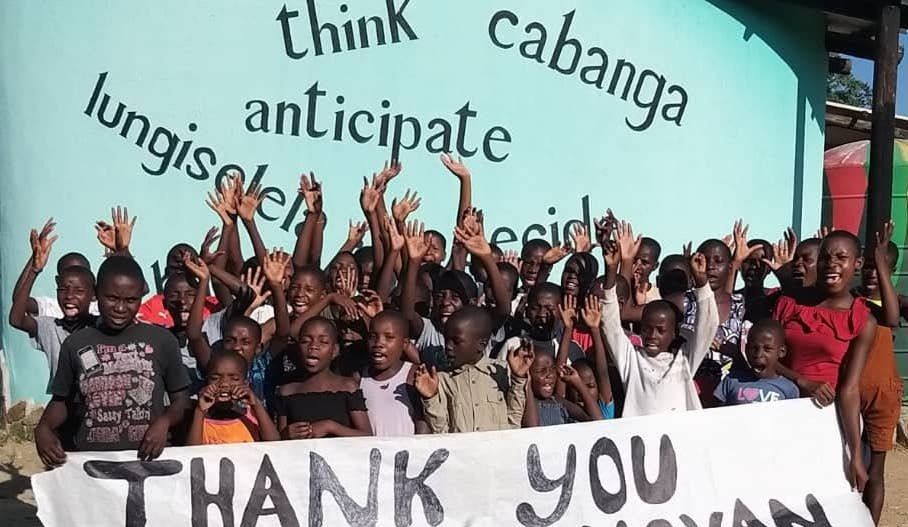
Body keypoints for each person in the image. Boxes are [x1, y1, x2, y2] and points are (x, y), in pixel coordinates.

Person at [35, 256, 191, 465]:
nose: (120, 308)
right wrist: (43, 427)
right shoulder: (76, 344)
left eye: (131, 300)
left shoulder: (162, 341)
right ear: (96, 294)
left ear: (140, 298)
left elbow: (182, 399)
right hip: (93, 465)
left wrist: (164, 422)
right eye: (112, 298)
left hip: (148, 461)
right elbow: (62, 400)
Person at [773, 230, 876, 494]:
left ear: (858, 264)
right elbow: (766, 360)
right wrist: (801, 379)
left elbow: (849, 388)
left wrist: (855, 453)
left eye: (842, 257)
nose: (831, 264)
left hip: (829, 420)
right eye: (825, 258)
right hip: (782, 410)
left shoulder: (863, 320)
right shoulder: (789, 304)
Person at [600, 238, 718, 417]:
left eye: (661, 330)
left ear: (674, 333)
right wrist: (610, 270)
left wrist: (702, 283)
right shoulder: (631, 360)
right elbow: (610, 325)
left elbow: (708, 325)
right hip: (641, 443)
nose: (652, 335)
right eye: (647, 329)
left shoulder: (684, 361)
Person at [413, 306, 534, 433]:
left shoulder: (501, 371)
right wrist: (430, 398)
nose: (448, 346)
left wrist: (518, 379)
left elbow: (514, 421)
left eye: (456, 341)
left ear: (481, 345)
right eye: (446, 339)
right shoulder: (442, 379)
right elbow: (441, 431)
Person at [9, 220, 97, 392]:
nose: (70, 295)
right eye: (65, 286)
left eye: (79, 287)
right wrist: (34, 268)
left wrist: (120, 253)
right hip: (63, 399)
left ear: (92, 290)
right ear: (58, 283)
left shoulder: (101, 319)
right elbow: (18, 310)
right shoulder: (50, 322)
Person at [854, 221, 904, 524]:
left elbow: (893, 317)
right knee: (849, 461)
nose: (873, 272)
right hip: (850, 391)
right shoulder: (852, 300)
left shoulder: (891, 304)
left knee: (876, 470)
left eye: (882, 267)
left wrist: (882, 260)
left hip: (881, 394)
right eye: (869, 266)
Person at [276, 317, 372, 439]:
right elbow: (278, 442)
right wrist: (286, 434)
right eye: (306, 341)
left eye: (323, 342)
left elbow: (367, 436)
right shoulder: (287, 391)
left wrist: (331, 427)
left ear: (335, 350)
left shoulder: (347, 387)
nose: (313, 346)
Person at [187, 351, 280, 445]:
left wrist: (256, 404)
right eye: (215, 378)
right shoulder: (200, 419)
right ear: (207, 382)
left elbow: (274, 443)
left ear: (245, 384)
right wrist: (199, 411)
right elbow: (191, 451)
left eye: (234, 379)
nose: (224, 384)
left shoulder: (252, 414)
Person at [360, 310, 428, 435]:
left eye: (389, 337)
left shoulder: (413, 375)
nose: (379, 343)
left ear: (405, 343)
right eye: (373, 337)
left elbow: (423, 425)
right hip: (371, 453)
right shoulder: (359, 378)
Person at [713, 319, 798, 405]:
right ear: (746, 349)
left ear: (781, 352)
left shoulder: (789, 389)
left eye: (767, 349)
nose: (758, 354)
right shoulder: (731, 380)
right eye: (753, 348)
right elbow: (716, 413)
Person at [522, 355, 601, 427]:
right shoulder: (524, 403)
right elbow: (532, 429)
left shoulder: (557, 401)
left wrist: (578, 383)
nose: (550, 375)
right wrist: (527, 383)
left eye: (552, 368)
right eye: (540, 370)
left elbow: (598, 422)